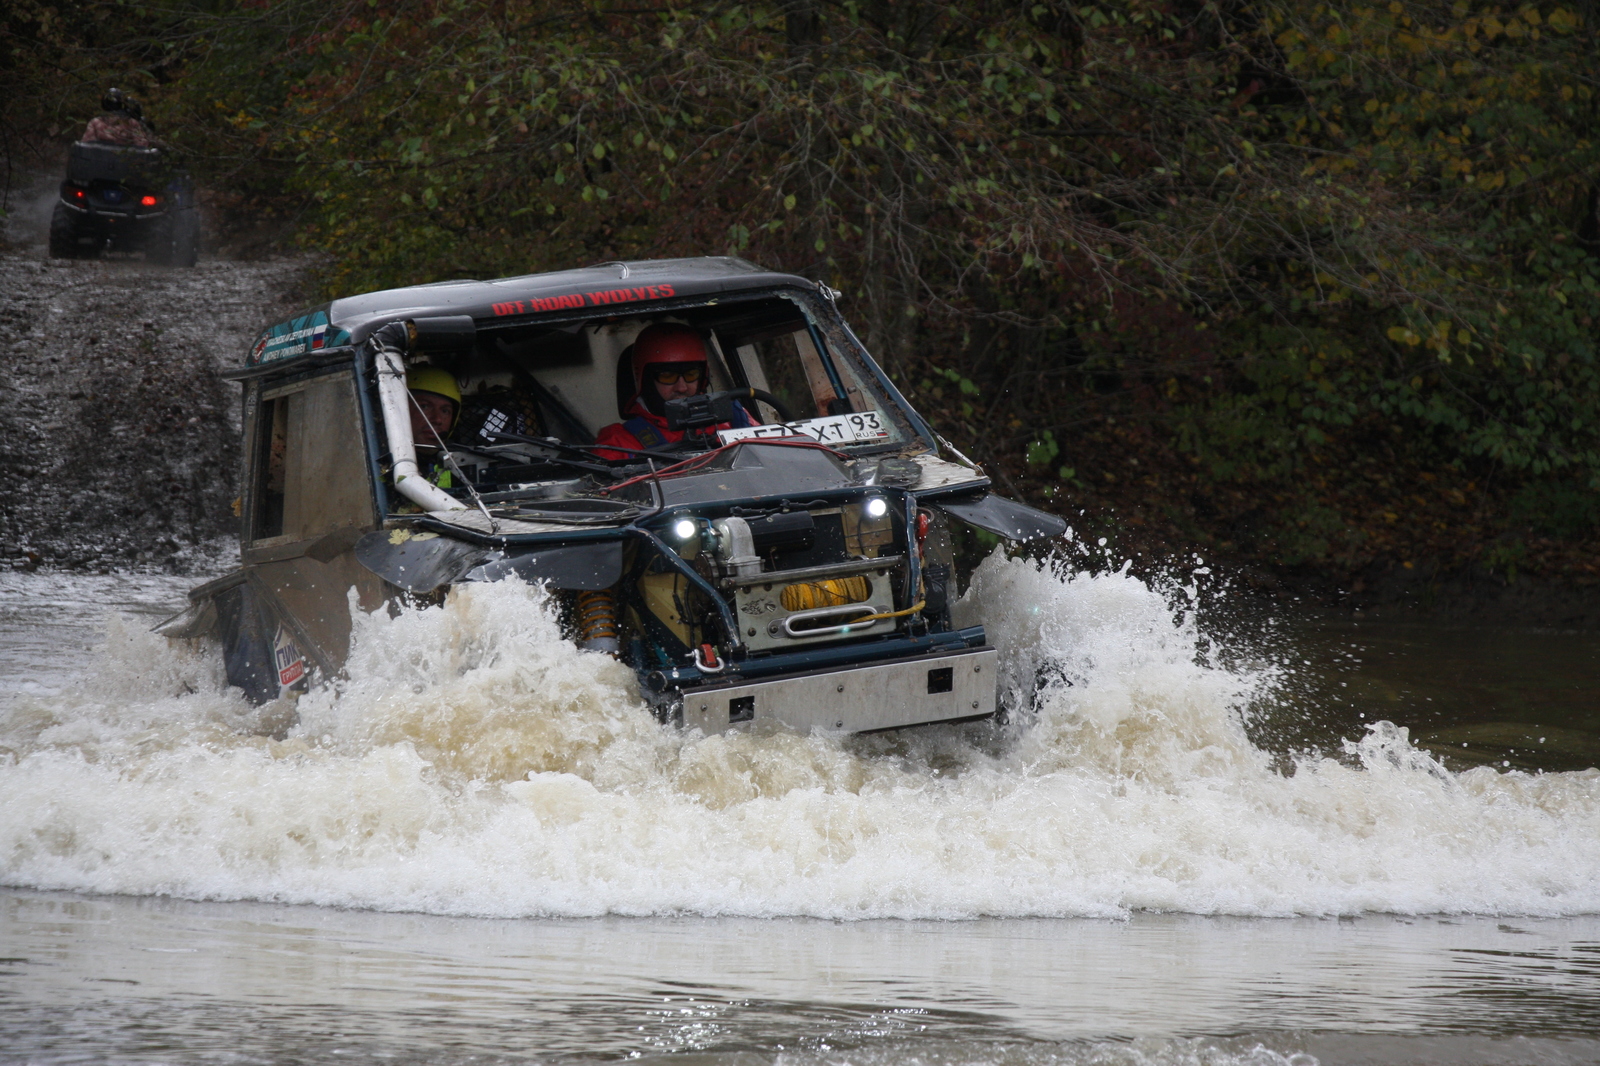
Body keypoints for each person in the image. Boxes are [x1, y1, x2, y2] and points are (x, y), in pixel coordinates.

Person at [594, 324, 752, 459]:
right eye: (668, 376)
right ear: (646, 380)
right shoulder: (618, 443)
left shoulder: (736, 420)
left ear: (703, 377)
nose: (682, 387)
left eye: (691, 374)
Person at [82, 89, 158, 148]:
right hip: (124, 163)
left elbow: (86, 144)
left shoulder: (95, 122)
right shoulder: (131, 123)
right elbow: (142, 145)